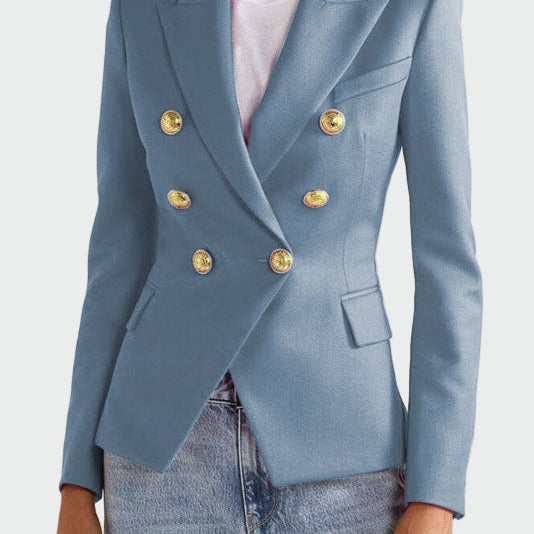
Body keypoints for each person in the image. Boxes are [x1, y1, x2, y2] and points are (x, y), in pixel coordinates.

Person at [57, 0, 482, 532]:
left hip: (340, 441)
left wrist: (435, 493)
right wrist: (77, 480)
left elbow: (447, 260)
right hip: (160, 450)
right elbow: (119, 248)